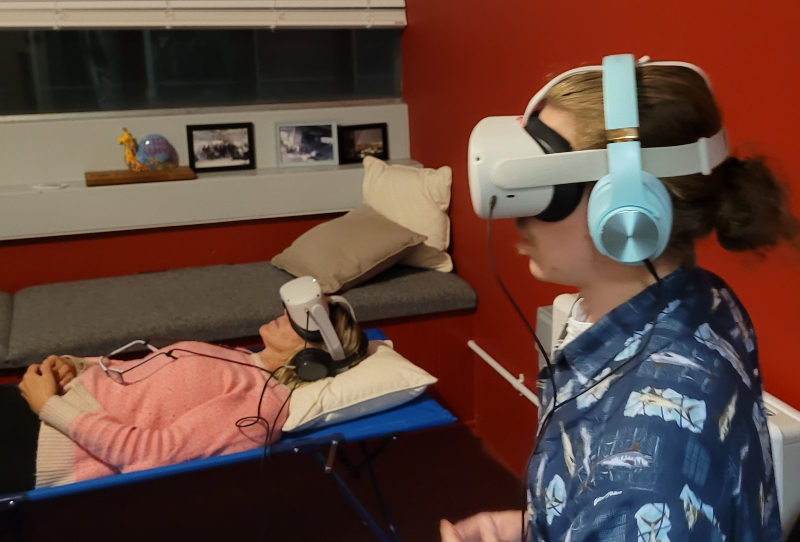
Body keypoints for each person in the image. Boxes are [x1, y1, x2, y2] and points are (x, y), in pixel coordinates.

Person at [442, 60, 800, 541]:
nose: (519, 214)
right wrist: (543, 528)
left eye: (550, 190)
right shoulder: (701, 300)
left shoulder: (645, 469)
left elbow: (636, 504)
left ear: (628, 205)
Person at [1, 299, 364, 494]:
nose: (286, 314)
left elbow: (150, 457)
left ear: (314, 357)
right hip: (48, 404)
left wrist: (49, 406)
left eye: (305, 322)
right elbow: (135, 375)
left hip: (48, 439)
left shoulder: (262, 405)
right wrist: (75, 366)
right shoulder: (238, 355)